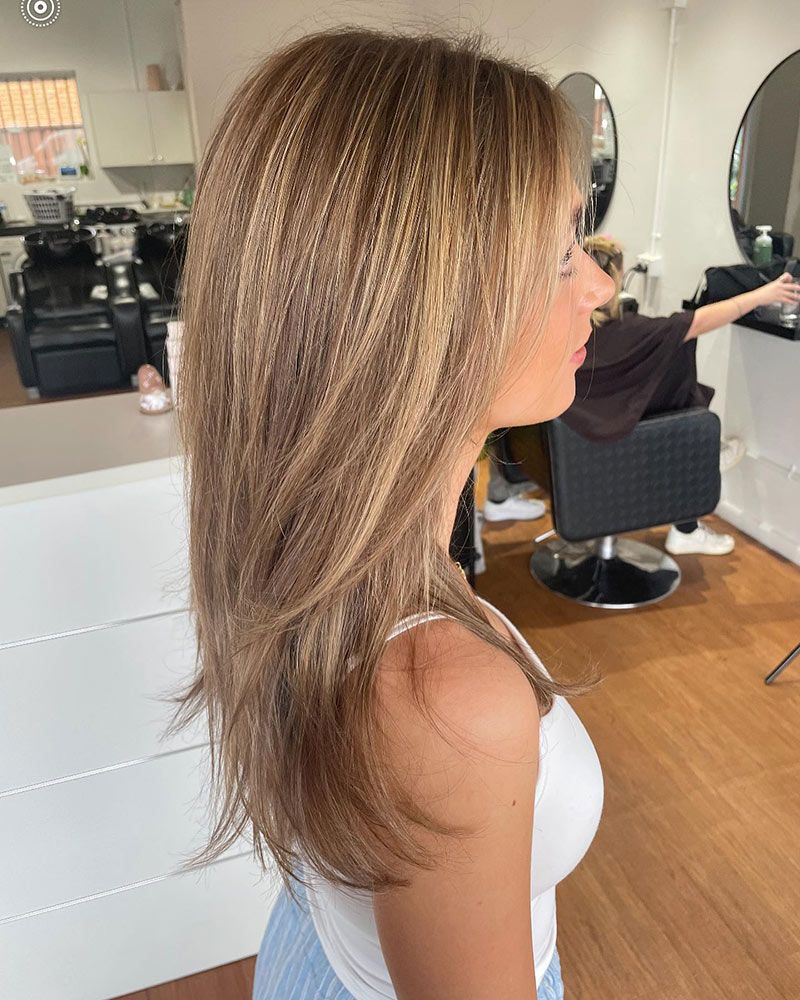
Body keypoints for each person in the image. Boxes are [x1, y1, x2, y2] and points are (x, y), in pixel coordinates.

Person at [164, 27, 614, 1000]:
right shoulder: (444, 697)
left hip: (311, 951)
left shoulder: (313, 555)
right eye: (557, 256)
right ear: (425, 306)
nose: (599, 286)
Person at [563, 235, 800, 556]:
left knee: (665, 354)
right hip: (621, 448)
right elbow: (702, 320)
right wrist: (763, 294)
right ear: (613, 282)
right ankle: (693, 498)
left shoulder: (561, 331)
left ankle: (502, 492)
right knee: (675, 357)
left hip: (570, 446)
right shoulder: (636, 333)